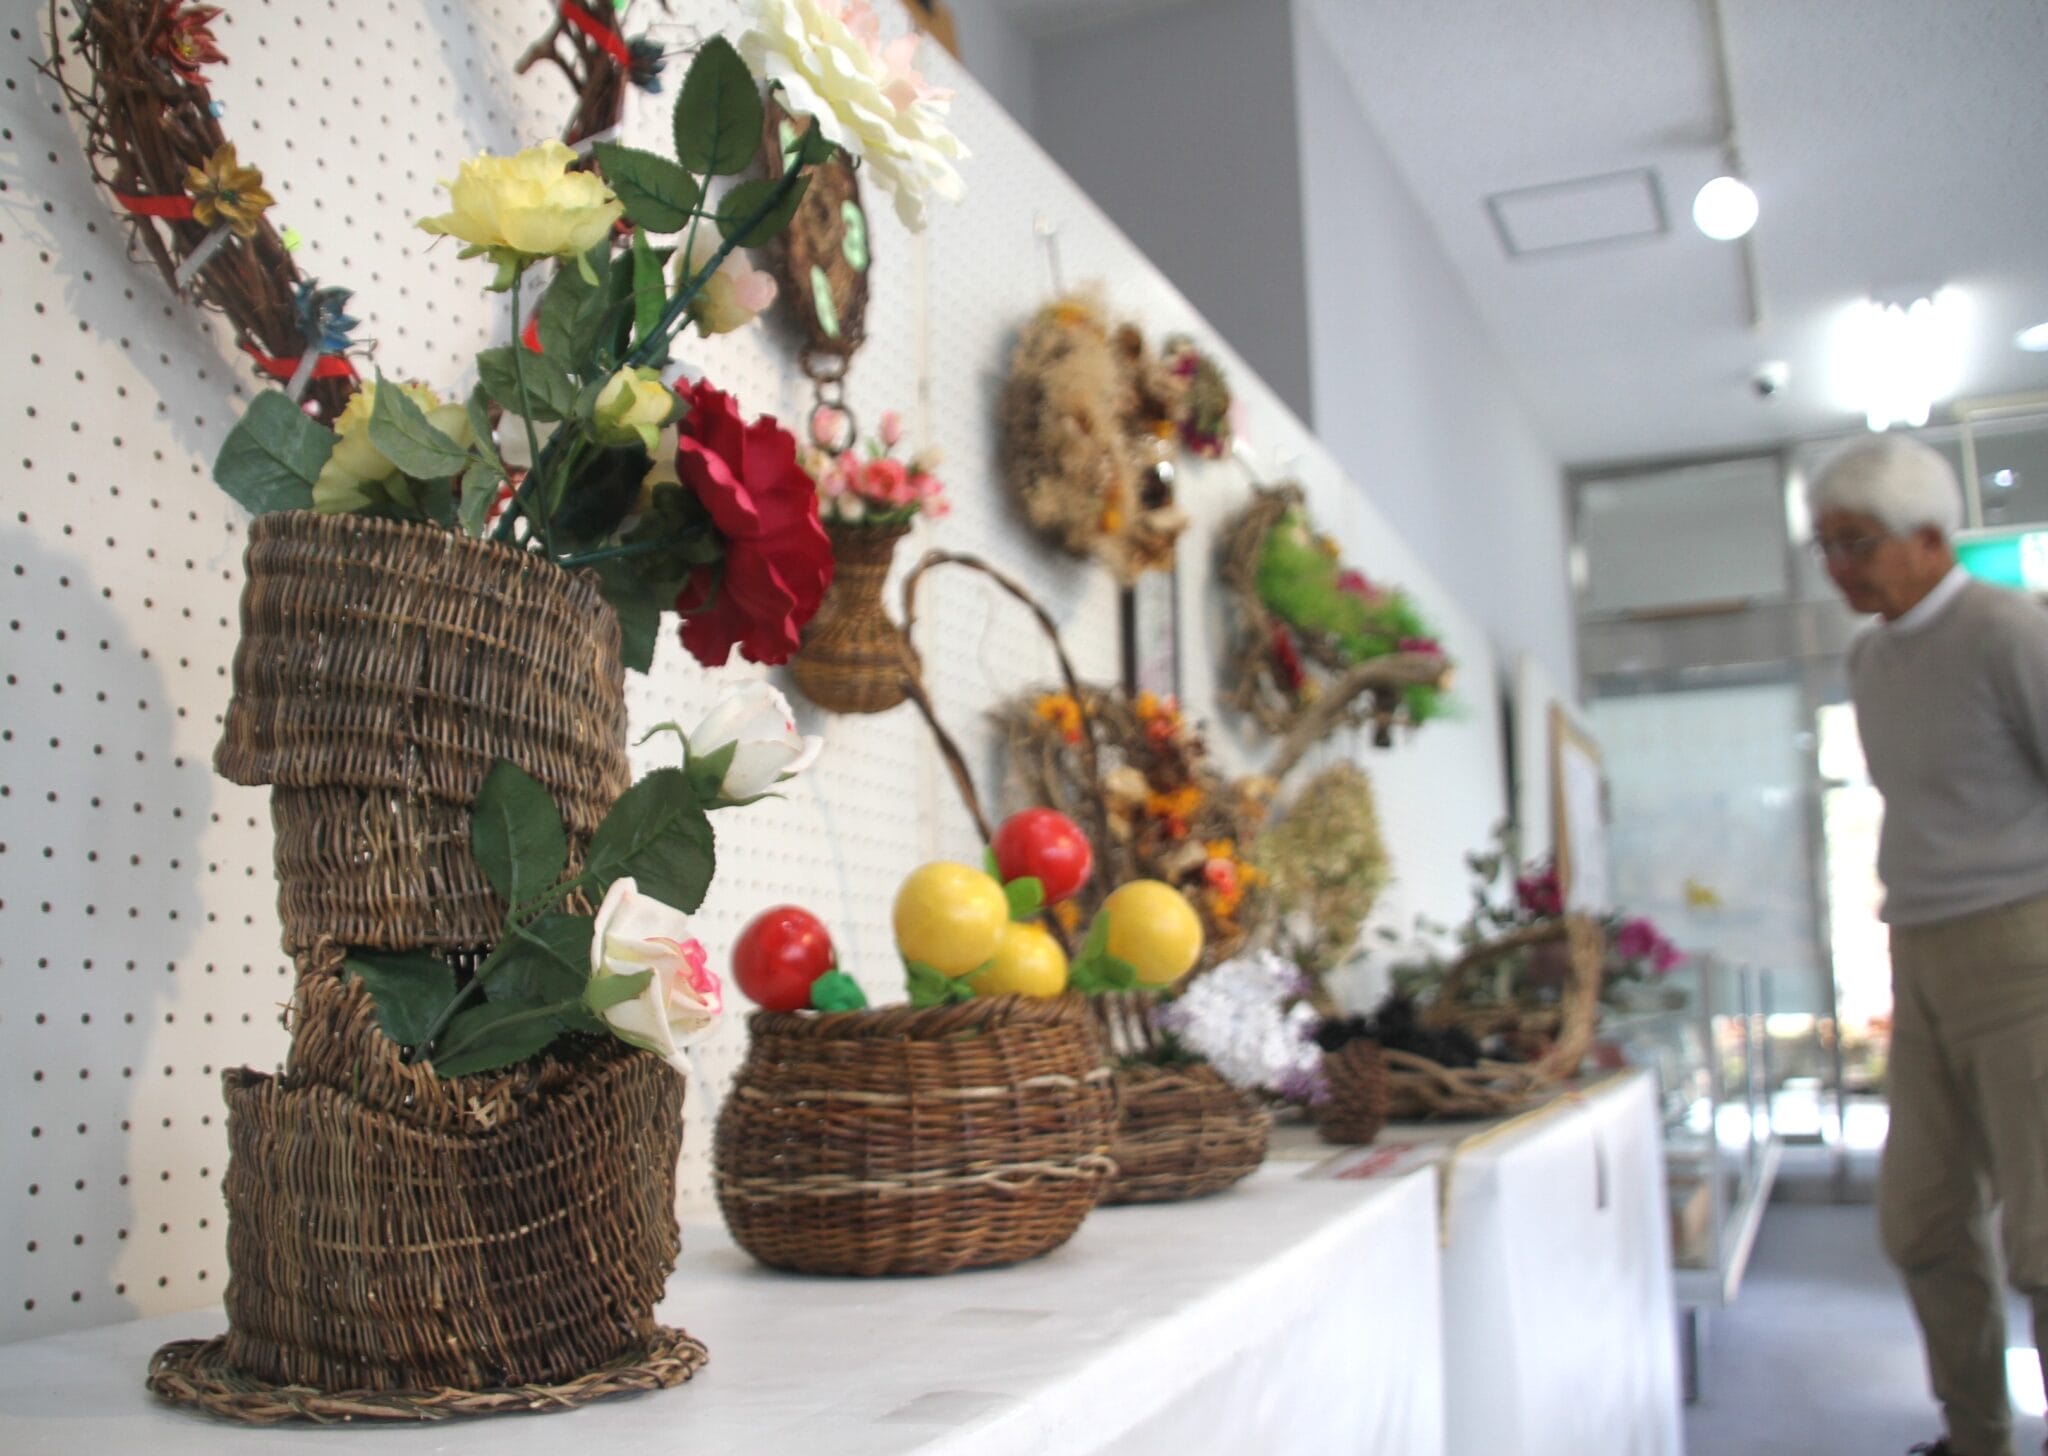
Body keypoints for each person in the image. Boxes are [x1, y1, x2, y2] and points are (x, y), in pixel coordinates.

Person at [1810, 434, 2048, 1456]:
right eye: (1825, 545)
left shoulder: (2009, 630)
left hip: (2026, 950)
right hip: (1920, 952)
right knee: (1918, 1219)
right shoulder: (1868, 659)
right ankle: (1976, 1436)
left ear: (1929, 537)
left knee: (2043, 1239)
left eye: (1856, 542)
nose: (1838, 567)